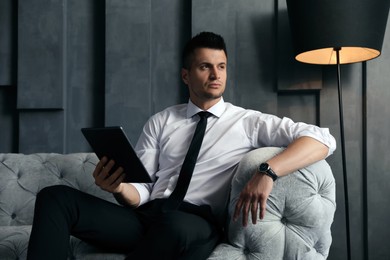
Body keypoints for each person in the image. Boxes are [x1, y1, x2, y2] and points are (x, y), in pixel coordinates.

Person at [27, 32, 336, 260]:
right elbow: (142, 190)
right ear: (186, 75)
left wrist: (268, 171)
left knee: (175, 227)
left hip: (194, 223)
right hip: (146, 218)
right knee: (55, 197)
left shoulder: (247, 122)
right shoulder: (162, 121)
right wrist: (119, 189)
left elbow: (322, 138)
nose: (216, 74)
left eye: (222, 66)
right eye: (205, 67)